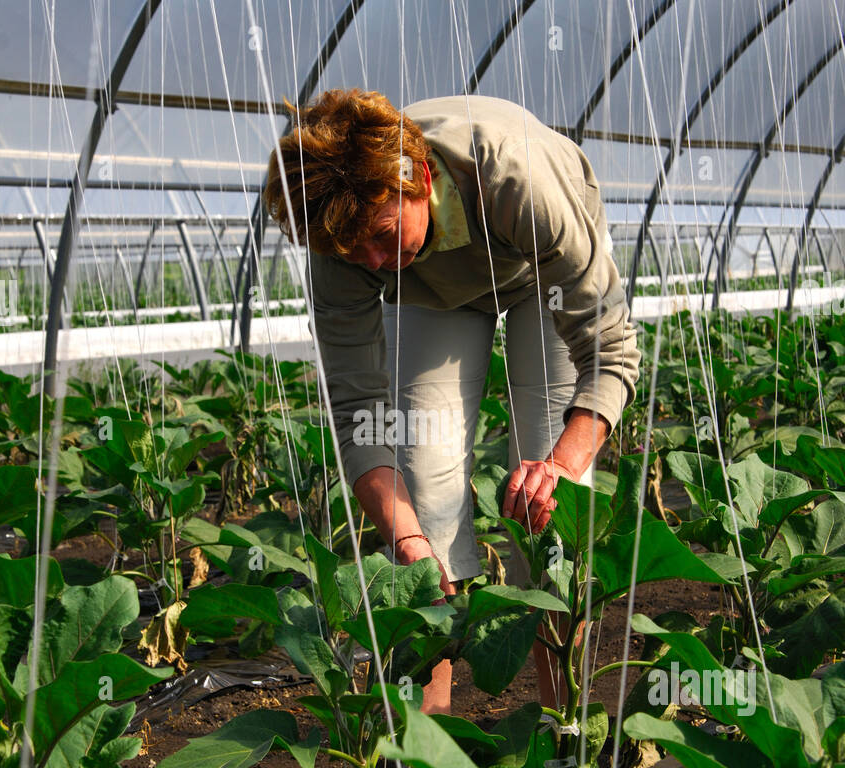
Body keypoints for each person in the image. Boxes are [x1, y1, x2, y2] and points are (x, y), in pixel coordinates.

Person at [263, 88, 641, 717]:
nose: (376, 261)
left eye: (383, 235)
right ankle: (424, 755)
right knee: (423, 502)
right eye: (357, 253)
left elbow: (609, 352)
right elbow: (360, 412)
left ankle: (565, 730)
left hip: (536, 272)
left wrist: (563, 464)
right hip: (437, 295)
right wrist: (408, 543)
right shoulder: (345, 245)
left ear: (418, 180)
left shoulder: (514, 173)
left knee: (550, 513)